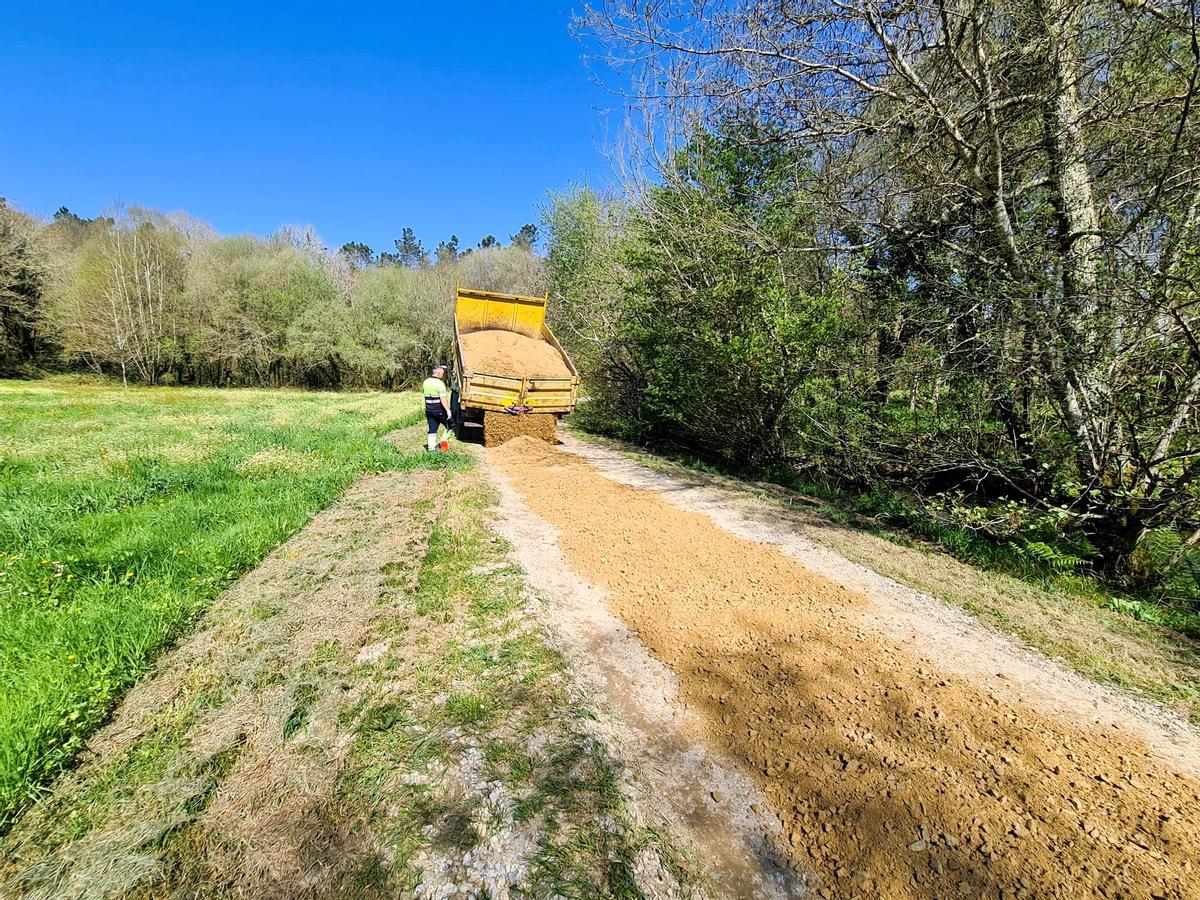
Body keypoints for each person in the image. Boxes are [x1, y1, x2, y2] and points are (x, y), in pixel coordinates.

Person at [422, 364, 453, 452]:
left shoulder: (426, 382)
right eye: (442, 374)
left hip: (429, 410)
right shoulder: (440, 383)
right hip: (439, 410)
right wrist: (448, 411)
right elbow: (443, 399)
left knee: (432, 430)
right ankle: (443, 445)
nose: (443, 376)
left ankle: (431, 449)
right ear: (439, 373)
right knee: (451, 426)